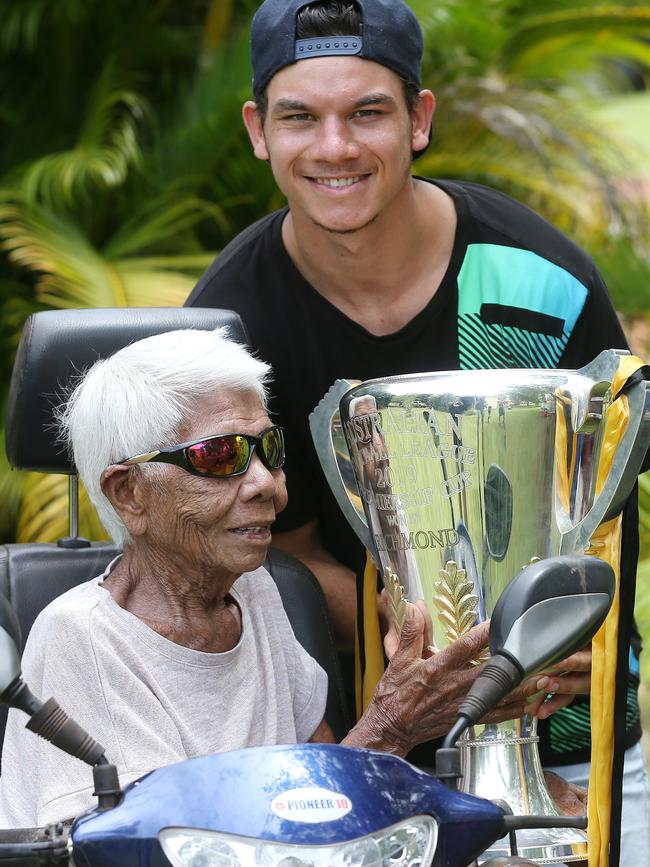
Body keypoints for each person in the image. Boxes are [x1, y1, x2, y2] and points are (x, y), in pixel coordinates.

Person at [185, 2, 648, 863]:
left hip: (578, 747)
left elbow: (611, 516)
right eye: (300, 116)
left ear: (419, 119)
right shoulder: (229, 331)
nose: (335, 147)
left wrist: (573, 630)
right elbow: (271, 562)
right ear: (258, 130)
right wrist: (449, 646)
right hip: (379, 758)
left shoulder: (540, 284)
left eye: (367, 112)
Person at [0, 327, 569, 828]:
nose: (268, 485)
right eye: (219, 456)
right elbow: (177, 847)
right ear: (129, 493)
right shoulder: (82, 641)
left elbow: (326, 784)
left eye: (267, 449)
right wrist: (394, 726)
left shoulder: (253, 589)